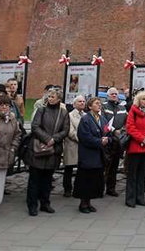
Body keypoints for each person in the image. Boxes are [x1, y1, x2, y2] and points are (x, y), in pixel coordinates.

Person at [25, 87, 69, 216]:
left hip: (53, 151)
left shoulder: (63, 113)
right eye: (49, 96)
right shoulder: (41, 110)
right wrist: (47, 138)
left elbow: (65, 130)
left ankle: (45, 203)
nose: (50, 99)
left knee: (47, 179)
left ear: (59, 99)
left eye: (52, 97)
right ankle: (32, 205)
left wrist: (54, 139)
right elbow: (35, 126)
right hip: (38, 149)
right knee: (34, 180)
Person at [74, 97, 110, 213]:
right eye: (96, 103)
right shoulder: (85, 119)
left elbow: (107, 131)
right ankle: (83, 203)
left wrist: (107, 139)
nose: (99, 105)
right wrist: (99, 141)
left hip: (99, 155)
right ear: (90, 106)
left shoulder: (102, 119)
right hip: (88, 154)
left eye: (100, 104)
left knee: (94, 178)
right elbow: (84, 137)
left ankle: (89, 201)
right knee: (85, 178)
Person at [125, 90, 145, 208]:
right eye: (143, 99)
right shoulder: (133, 111)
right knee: (132, 174)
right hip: (135, 146)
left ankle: (140, 197)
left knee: (142, 174)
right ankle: (130, 199)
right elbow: (130, 127)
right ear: (139, 100)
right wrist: (142, 138)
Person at [102, 87, 127, 197]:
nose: (114, 95)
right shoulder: (104, 107)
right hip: (107, 140)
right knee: (105, 165)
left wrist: (122, 131)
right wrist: (113, 130)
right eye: (112, 94)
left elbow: (126, 122)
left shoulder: (122, 107)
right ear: (108, 95)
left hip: (118, 141)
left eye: (116, 94)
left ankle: (111, 188)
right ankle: (100, 188)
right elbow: (103, 121)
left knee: (114, 166)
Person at [63, 95, 87, 198]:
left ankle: (79, 188)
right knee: (69, 168)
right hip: (72, 145)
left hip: (84, 147)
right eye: (79, 101)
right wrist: (83, 139)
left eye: (83, 101)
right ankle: (67, 189)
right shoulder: (69, 116)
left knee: (82, 169)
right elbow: (70, 131)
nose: (82, 103)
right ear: (74, 104)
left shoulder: (86, 115)